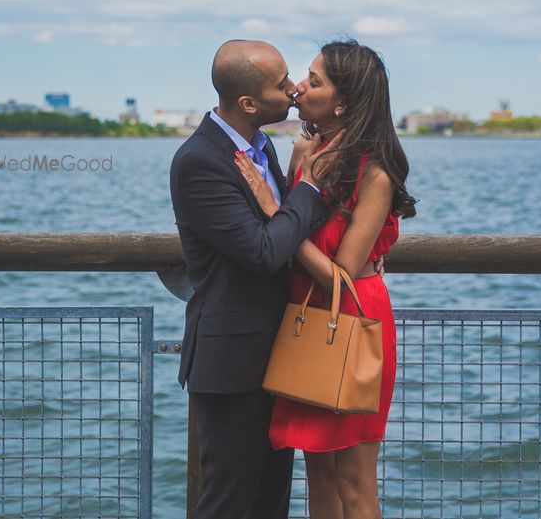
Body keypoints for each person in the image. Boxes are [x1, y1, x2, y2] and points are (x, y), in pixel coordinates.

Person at [236, 39, 416, 519]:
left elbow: (343, 274)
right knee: (317, 476)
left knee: (355, 483)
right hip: (305, 317)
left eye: (313, 81)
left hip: (353, 318)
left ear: (343, 102)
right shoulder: (303, 152)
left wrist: (275, 213)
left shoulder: (372, 170)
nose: (297, 87)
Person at [170, 39, 339, 519]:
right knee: (227, 502)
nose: (292, 89)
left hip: (279, 353)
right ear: (247, 103)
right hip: (231, 364)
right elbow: (264, 252)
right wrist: (308, 188)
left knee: (271, 502)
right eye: (280, 82)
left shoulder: (260, 145)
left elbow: (278, 234)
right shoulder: (200, 161)